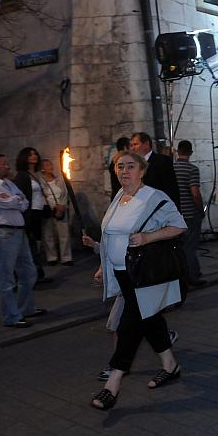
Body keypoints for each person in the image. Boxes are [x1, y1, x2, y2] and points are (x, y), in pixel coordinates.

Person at [88, 152, 186, 411]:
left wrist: (147, 238)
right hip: (122, 272)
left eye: (130, 166)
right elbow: (110, 236)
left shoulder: (154, 197)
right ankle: (170, 366)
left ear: (142, 170)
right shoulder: (119, 197)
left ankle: (114, 383)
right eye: (120, 166)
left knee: (129, 325)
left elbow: (179, 226)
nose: (124, 171)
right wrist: (102, 265)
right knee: (150, 319)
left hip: (145, 274)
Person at [0, 153, 45, 328]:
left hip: (18, 232)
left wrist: (16, 200)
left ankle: (26, 308)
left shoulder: (7, 183)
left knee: (29, 273)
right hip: (4, 234)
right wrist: (16, 200)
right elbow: (12, 202)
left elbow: (24, 202)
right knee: (6, 278)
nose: (8, 167)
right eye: (4, 164)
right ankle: (11, 316)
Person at [13, 147, 49, 284]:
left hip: (38, 213)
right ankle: (34, 275)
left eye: (35, 154)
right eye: (30, 155)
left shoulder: (36, 174)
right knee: (31, 245)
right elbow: (20, 196)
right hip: (30, 214)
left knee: (36, 245)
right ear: (24, 158)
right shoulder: (22, 175)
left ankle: (38, 274)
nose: (33, 156)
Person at [174, 140, 206, 286]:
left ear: (177, 151)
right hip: (190, 214)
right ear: (191, 152)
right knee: (190, 246)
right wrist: (200, 209)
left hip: (175, 215)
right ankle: (191, 277)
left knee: (180, 247)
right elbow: (195, 192)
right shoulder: (192, 169)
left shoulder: (171, 168)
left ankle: (189, 272)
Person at [130, 132, 180, 209]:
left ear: (146, 144)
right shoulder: (134, 165)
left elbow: (171, 189)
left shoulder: (162, 161)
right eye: (131, 145)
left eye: (136, 144)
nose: (132, 148)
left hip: (160, 209)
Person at [39, 159, 72, 265]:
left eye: (51, 164)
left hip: (60, 208)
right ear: (42, 168)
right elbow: (40, 195)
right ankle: (51, 257)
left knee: (64, 234)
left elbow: (64, 193)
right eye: (47, 165)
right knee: (48, 234)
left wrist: (62, 206)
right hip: (48, 209)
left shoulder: (59, 179)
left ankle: (66, 257)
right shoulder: (40, 181)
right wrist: (49, 206)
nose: (50, 167)